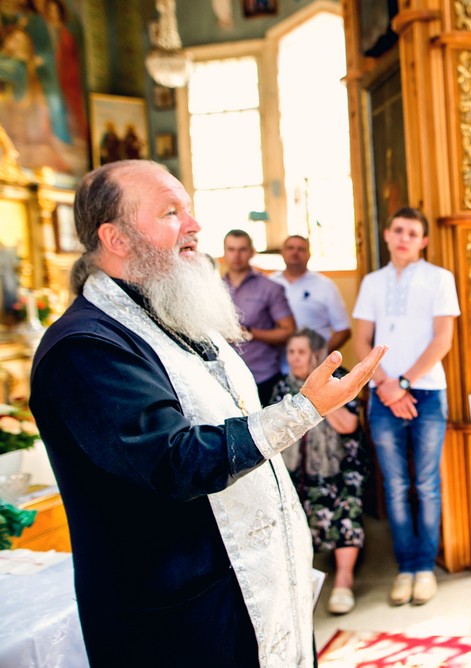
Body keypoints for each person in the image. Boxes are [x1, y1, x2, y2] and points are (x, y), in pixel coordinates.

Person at [29, 160, 386, 666]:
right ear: (116, 237)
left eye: (190, 210)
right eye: (172, 212)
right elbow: (174, 462)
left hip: (254, 584)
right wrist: (303, 410)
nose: (195, 227)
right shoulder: (85, 348)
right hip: (183, 612)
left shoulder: (175, 311)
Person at [352, 206, 460, 607]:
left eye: (412, 233)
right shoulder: (373, 283)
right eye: (398, 230)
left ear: (423, 241)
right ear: (386, 233)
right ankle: (405, 569)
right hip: (382, 395)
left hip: (427, 393)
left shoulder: (439, 279)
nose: (404, 238)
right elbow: (362, 342)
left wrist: (404, 383)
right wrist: (385, 386)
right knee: (396, 487)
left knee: (426, 485)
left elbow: (442, 340)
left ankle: (424, 569)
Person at [270, 329, 368, 616]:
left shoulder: (340, 379)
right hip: (299, 467)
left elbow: (349, 425)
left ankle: (344, 580)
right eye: (291, 352)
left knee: (345, 501)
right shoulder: (282, 387)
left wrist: (320, 398)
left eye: (301, 352)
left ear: (315, 355)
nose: (295, 358)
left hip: (341, 465)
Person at [222, 229, 296, 405]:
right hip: (225, 377)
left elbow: (289, 331)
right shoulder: (214, 287)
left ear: (252, 252)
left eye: (242, 249)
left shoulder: (270, 287)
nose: (237, 255)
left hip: (262, 376)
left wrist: (251, 333)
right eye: (231, 249)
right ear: (224, 252)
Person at [270, 234, 352, 356]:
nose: (295, 252)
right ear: (282, 252)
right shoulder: (270, 283)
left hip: (315, 367)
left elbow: (343, 330)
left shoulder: (325, 285)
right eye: (290, 248)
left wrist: (319, 357)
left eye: (301, 249)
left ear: (309, 254)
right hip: (275, 368)